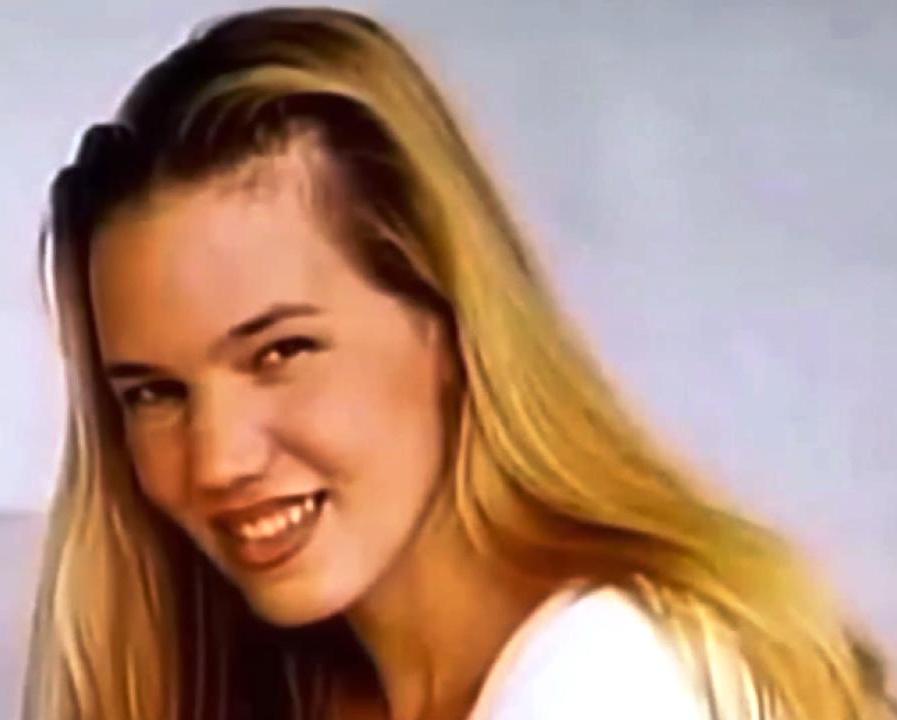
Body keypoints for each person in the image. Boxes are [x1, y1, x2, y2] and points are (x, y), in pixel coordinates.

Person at [23, 7, 894, 720]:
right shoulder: (298, 683)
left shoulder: (619, 678)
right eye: (155, 393)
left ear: (449, 319)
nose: (217, 461)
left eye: (280, 352)